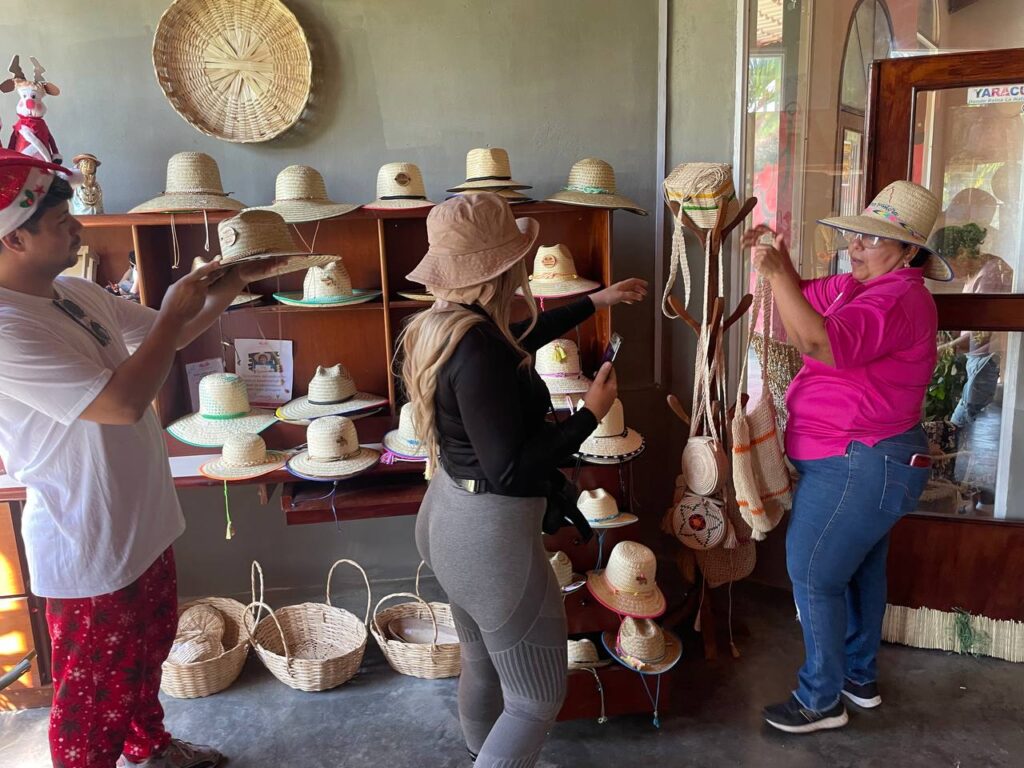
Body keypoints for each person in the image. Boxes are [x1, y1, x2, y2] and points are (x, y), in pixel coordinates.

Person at [0, 150, 279, 768]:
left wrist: (229, 286)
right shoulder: (6, 327)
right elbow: (124, 402)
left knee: (147, 655)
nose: (76, 230)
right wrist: (175, 312)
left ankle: (150, 747)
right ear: (13, 236)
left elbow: (168, 335)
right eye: (60, 223)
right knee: (91, 696)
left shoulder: (70, 292)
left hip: (140, 520)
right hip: (87, 540)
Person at [401, 192, 646, 767]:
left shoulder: (447, 325)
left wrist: (596, 301)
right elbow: (511, 467)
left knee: (483, 660)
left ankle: (476, 753)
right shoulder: (479, 349)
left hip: (447, 517)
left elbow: (522, 335)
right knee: (537, 698)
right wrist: (589, 413)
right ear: (499, 268)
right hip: (486, 534)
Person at [742, 180, 949, 734]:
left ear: (909, 253)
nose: (856, 246)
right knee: (858, 572)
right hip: (862, 460)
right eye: (856, 234)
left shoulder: (898, 298)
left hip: (861, 460)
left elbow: (817, 344)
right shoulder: (855, 286)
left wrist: (779, 272)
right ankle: (857, 677)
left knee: (812, 571)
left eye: (873, 239)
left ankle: (821, 698)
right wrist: (779, 266)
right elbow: (795, 312)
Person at [928, 223, 1014, 428]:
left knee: (962, 421)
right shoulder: (975, 274)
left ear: (961, 253)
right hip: (977, 359)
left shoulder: (989, 274)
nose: (948, 272)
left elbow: (980, 335)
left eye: (948, 264)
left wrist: (945, 350)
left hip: (986, 361)